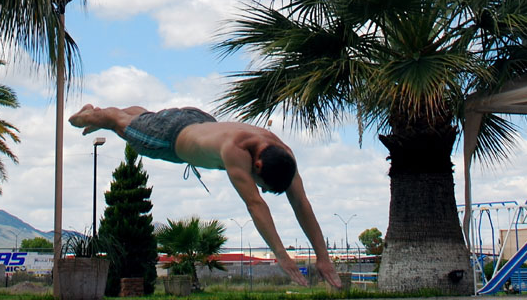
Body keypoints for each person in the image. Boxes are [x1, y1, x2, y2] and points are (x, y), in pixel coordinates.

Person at [69, 104, 342, 288]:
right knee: (123, 127)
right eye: (263, 184)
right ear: (257, 166)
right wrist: (281, 255)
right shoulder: (235, 150)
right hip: (171, 138)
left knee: (143, 119)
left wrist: (323, 256)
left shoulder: (283, 156)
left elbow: (301, 204)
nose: (260, 189)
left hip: (198, 120)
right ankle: (93, 115)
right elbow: (255, 205)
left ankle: (120, 115)